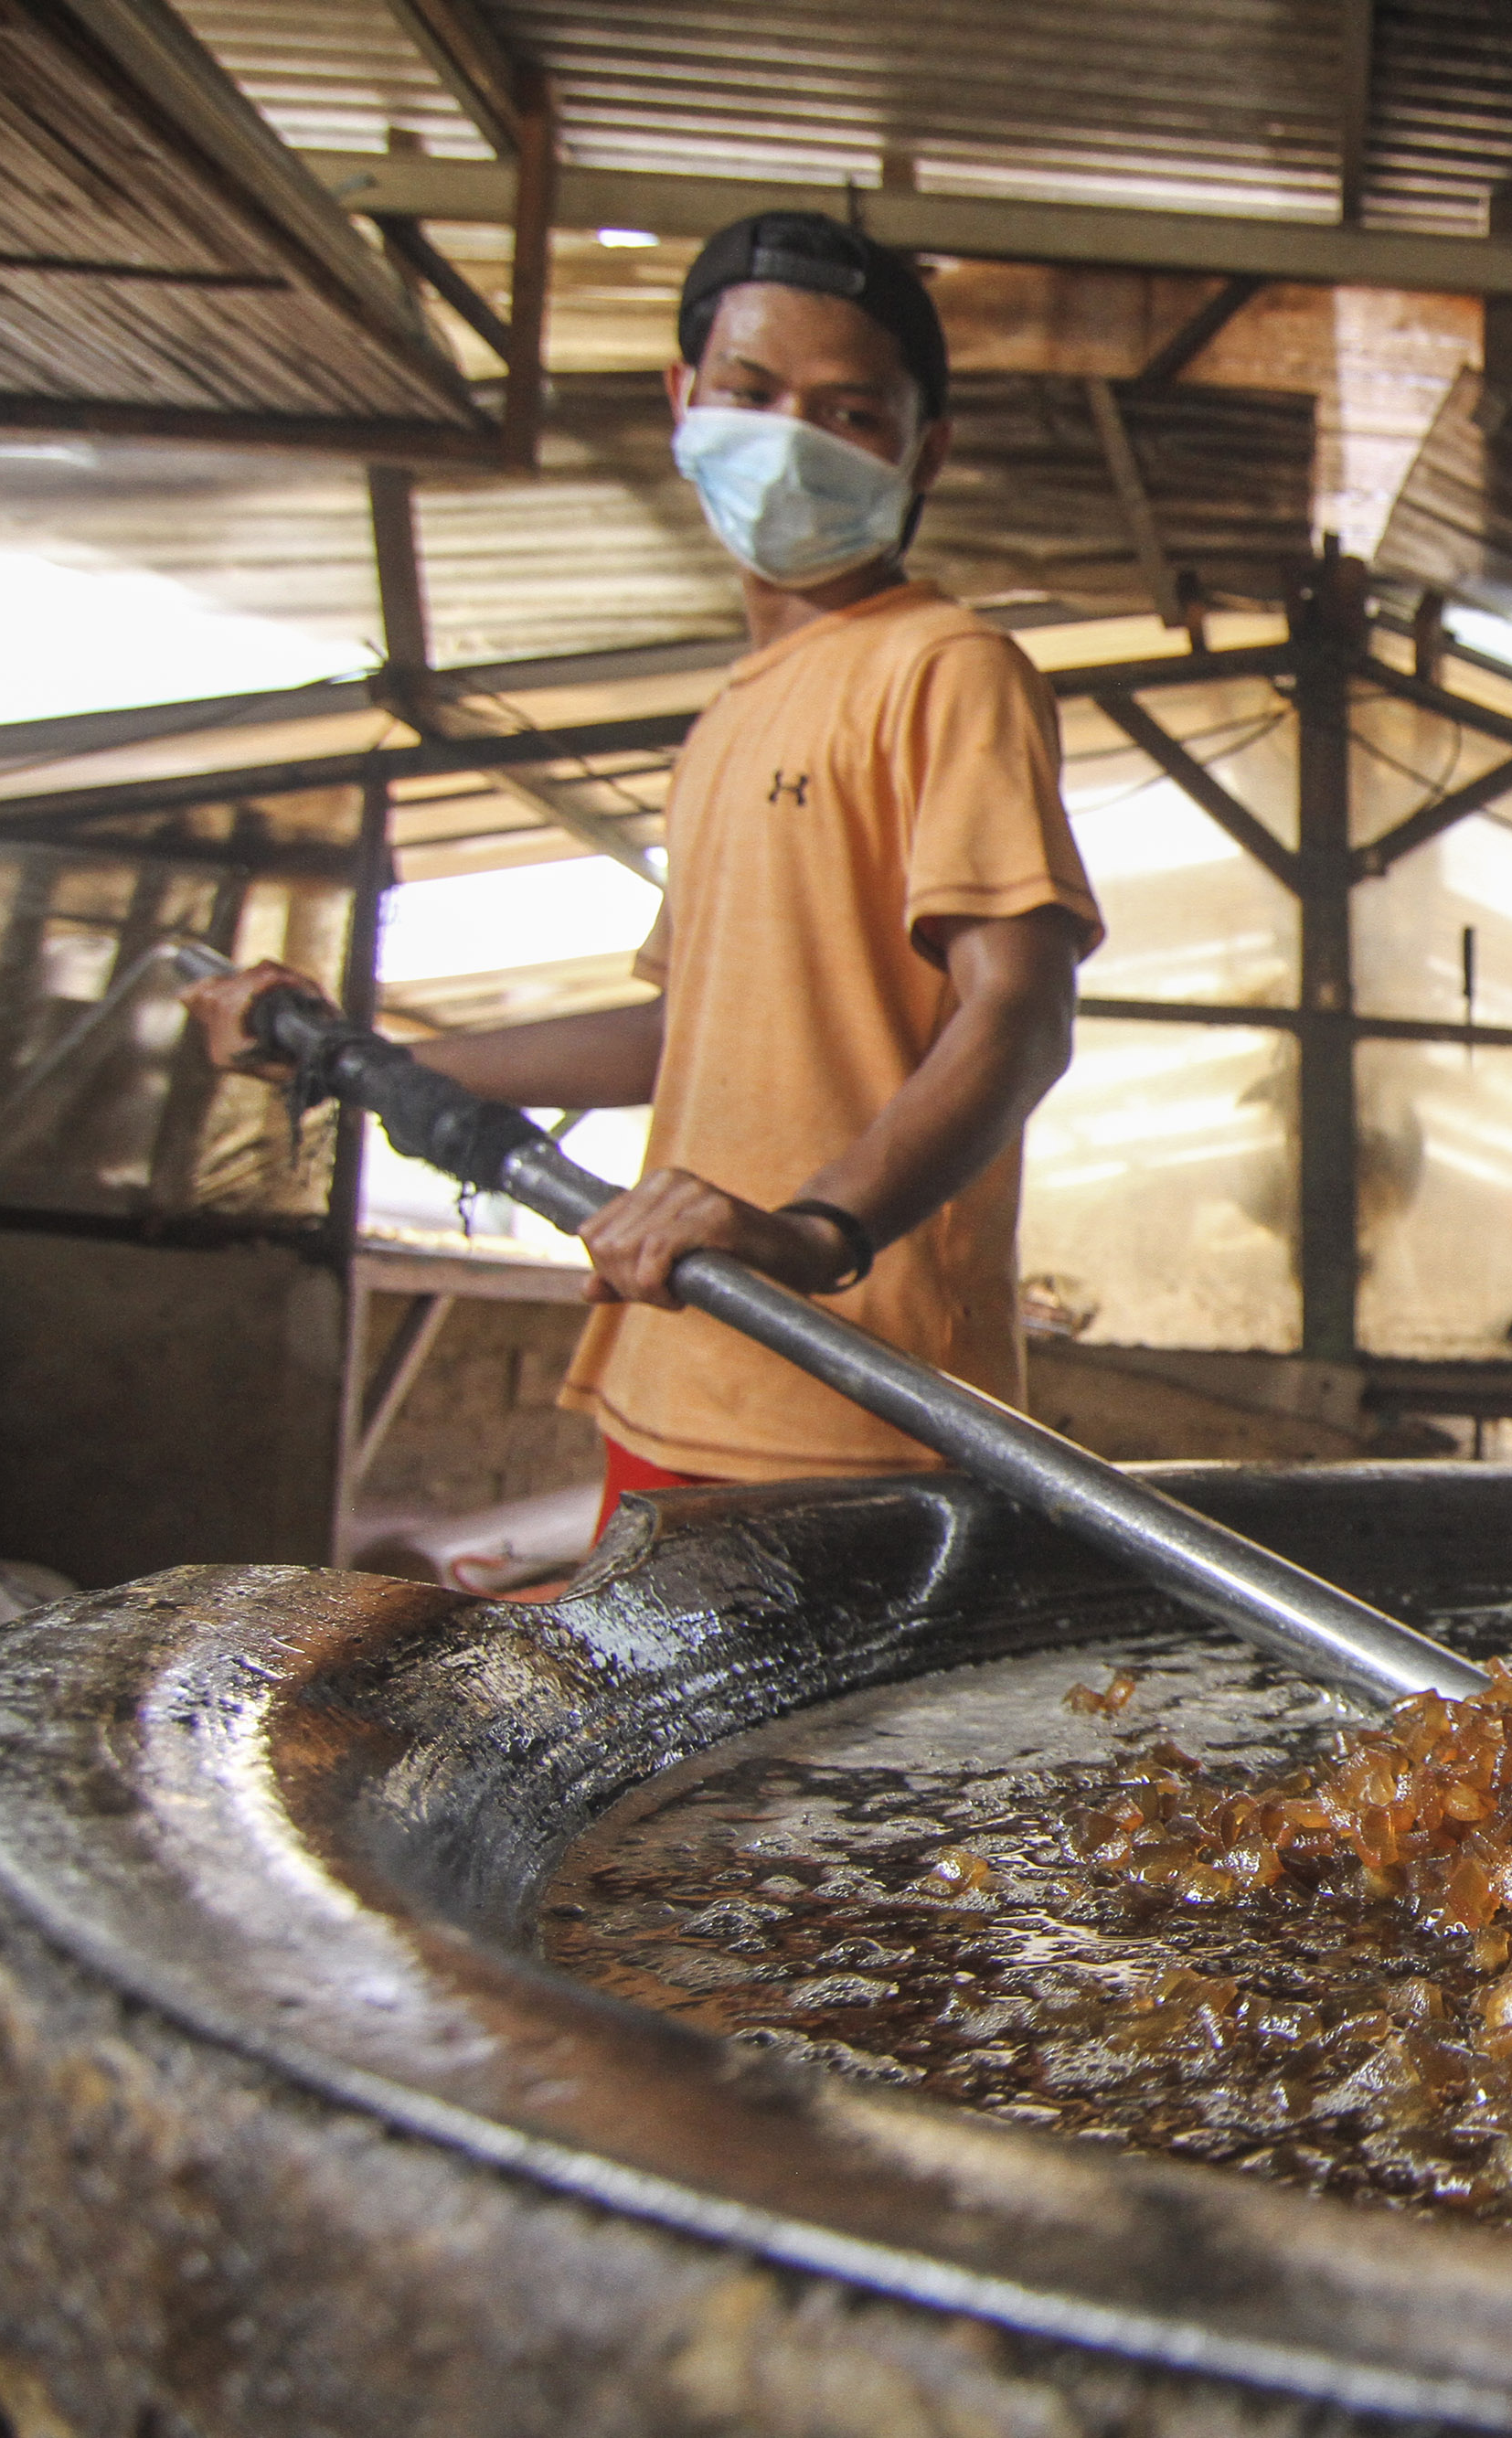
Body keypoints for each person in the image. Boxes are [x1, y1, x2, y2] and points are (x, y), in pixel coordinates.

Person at [189, 212, 1101, 1531]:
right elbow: (681, 1035)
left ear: (926, 452)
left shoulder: (945, 669)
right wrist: (357, 1054)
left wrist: (813, 1233)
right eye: (753, 393)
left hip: (851, 1402)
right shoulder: (730, 716)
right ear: (683, 401)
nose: (791, 438)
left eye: (849, 412)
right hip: (675, 1361)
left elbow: (1020, 1008)